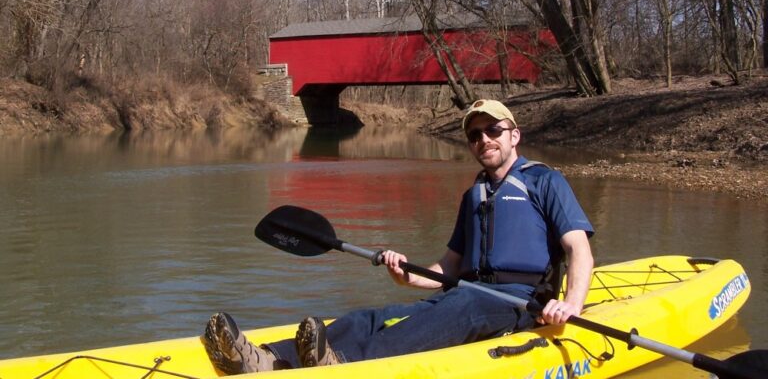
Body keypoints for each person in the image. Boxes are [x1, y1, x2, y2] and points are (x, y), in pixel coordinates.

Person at [202, 99, 595, 374]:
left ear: (514, 135)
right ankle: (269, 359)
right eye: (475, 135)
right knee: (372, 318)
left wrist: (570, 305)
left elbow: (579, 249)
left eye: (493, 130)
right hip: (466, 294)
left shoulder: (545, 181)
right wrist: (407, 275)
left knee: (463, 306)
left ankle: (349, 366)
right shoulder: (473, 195)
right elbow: (449, 267)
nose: (484, 139)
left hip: (519, 303)